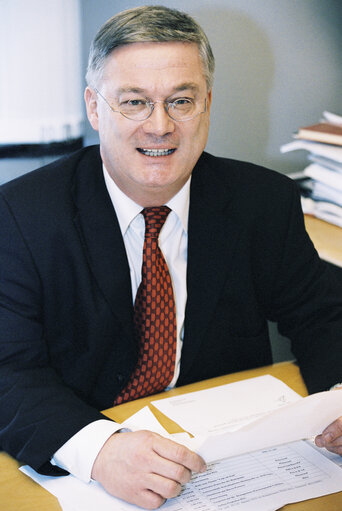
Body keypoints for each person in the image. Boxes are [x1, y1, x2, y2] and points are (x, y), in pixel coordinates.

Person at [0, 5, 342, 509]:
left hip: (227, 461)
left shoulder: (261, 200)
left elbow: (321, 312)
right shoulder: (20, 216)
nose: (160, 126)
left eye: (181, 100)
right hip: (82, 463)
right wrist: (99, 451)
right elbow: (8, 369)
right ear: (95, 108)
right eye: (134, 102)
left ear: (208, 103)